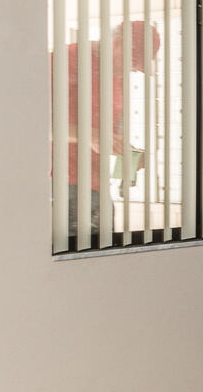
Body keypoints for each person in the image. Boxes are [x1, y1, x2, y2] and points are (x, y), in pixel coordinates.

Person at [55, 19, 160, 241]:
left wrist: (127, 150)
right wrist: (90, 136)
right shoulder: (67, 61)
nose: (131, 71)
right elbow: (29, 123)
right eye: (132, 64)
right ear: (119, 43)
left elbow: (108, 132)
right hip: (60, 184)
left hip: (95, 186)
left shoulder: (114, 77)